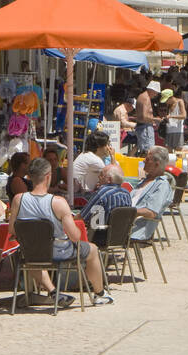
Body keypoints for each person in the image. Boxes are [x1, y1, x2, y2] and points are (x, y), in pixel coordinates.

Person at [8, 157, 113, 305]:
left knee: (30, 254)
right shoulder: (58, 203)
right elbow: (75, 237)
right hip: (58, 251)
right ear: (48, 176)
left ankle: (52, 292)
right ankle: (99, 294)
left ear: (30, 177)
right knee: (93, 250)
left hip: (31, 251)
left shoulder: (18, 200)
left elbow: (12, 229)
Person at [129, 146, 175, 245]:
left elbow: (152, 212)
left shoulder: (162, 185)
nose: (144, 161)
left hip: (135, 228)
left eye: (147, 159)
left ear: (156, 164)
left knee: (95, 233)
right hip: (125, 221)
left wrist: (127, 212)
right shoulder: (145, 181)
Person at [78, 165, 133, 247]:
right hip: (121, 237)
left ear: (109, 179)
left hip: (100, 237)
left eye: (101, 175)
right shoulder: (126, 193)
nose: (98, 177)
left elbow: (83, 216)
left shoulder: (103, 192)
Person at [71, 130, 111, 199]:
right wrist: (112, 156)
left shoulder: (86, 155)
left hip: (78, 193)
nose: (109, 148)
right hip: (82, 196)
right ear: (99, 147)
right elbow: (113, 177)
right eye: (106, 145)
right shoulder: (95, 160)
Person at [133, 81, 164, 154]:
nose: (156, 95)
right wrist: (156, 119)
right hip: (145, 128)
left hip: (142, 127)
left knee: (145, 151)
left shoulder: (141, 96)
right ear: (152, 90)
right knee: (148, 152)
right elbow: (144, 116)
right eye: (156, 93)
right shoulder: (146, 99)